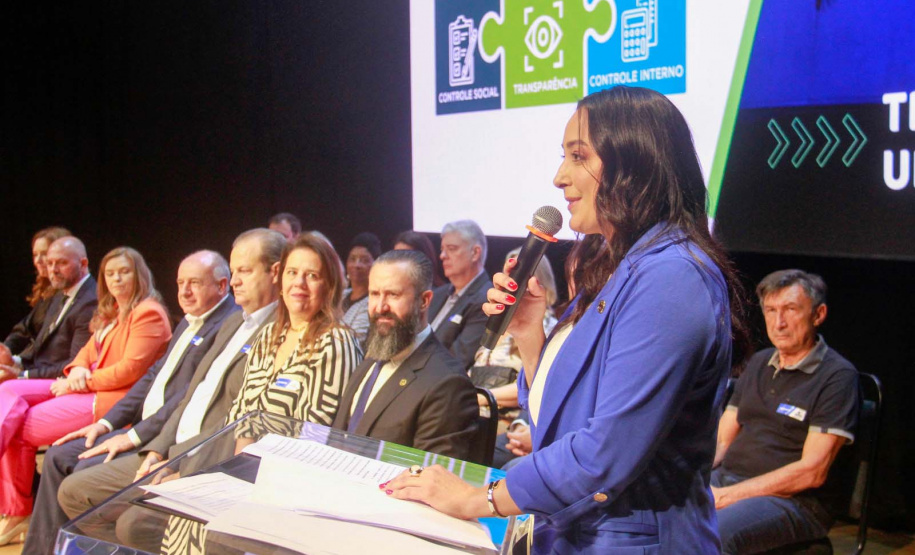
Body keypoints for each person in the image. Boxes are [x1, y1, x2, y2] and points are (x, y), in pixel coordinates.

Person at [384, 86, 750, 553]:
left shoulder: (671, 276)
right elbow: (556, 425)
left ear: (635, 163)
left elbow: (606, 451)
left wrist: (480, 498)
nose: (559, 177)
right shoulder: (618, 267)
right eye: (564, 157)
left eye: (579, 157)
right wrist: (530, 334)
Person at [54, 229, 284, 548]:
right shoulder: (235, 322)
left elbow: (237, 420)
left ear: (275, 273)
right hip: (170, 447)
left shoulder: (279, 334)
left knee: (131, 525)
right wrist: (157, 449)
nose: (234, 282)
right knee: (73, 491)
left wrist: (178, 462)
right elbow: (189, 395)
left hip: (203, 458)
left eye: (244, 271)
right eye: (234, 272)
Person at [20, 250, 237, 554]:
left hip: (155, 435)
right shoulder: (189, 321)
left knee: (78, 477)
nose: (184, 291)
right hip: (134, 423)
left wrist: (131, 436)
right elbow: (149, 377)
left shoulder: (222, 324)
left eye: (195, 283)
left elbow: (180, 398)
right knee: (57, 455)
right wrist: (105, 423)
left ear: (222, 286)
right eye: (180, 282)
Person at [0, 246, 172, 545]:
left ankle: (17, 511)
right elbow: (85, 353)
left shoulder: (149, 312)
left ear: (139, 275)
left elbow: (129, 371)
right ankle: (17, 511)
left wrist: (82, 381)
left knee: (20, 427)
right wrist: (77, 370)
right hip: (89, 387)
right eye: (111, 273)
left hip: (112, 399)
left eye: (124, 272)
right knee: (7, 390)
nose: (117, 279)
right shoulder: (112, 312)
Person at [712, 269, 859, 554]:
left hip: (795, 501)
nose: (778, 323)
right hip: (728, 480)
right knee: (653, 507)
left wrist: (728, 496)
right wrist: (689, 480)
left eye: (790, 309)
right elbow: (721, 442)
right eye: (770, 310)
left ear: (818, 315)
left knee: (711, 533)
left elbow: (811, 472)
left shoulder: (837, 377)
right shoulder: (758, 362)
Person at [332, 249, 478, 460]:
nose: (380, 307)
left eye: (393, 295)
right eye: (374, 294)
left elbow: (429, 479)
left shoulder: (448, 383)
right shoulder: (371, 358)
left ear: (424, 301)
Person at [228, 232, 362, 452]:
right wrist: (241, 471)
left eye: (311, 275)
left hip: (294, 473)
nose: (299, 283)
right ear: (281, 282)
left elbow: (314, 437)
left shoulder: (336, 342)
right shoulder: (267, 335)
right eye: (292, 273)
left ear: (328, 287)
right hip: (249, 467)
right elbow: (244, 422)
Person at [472, 247, 559, 468]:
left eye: (521, 277)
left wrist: (482, 397)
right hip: (474, 411)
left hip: (502, 418)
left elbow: (537, 383)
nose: (512, 284)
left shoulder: (546, 326)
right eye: (510, 277)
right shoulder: (497, 322)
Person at [0, 236, 97, 383]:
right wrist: (14, 361)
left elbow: (74, 363)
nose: (53, 270)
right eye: (50, 263)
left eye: (61, 263)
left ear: (83, 263)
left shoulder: (90, 301)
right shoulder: (58, 294)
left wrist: (22, 375)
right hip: (37, 373)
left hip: (59, 381)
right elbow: (40, 347)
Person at [2, 227, 72, 366]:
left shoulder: (67, 293)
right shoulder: (46, 291)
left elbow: (47, 343)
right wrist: (5, 349)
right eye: (35, 255)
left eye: (44, 254)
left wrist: (17, 362)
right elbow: (23, 330)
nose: (38, 260)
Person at [428, 220, 490, 369]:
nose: (442, 255)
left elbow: (458, 360)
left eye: (451, 248)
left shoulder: (486, 300)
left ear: (475, 253)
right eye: (442, 249)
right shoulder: (437, 294)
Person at [341, 232, 382, 347]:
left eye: (364, 260)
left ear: (376, 264)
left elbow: (354, 342)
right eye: (352, 259)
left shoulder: (373, 302)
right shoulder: (340, 296)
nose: (357, 265)